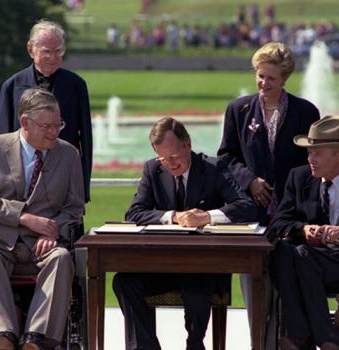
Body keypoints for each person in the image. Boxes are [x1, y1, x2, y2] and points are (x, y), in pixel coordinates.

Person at [113, 117, 257, 350]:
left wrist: (208, 216)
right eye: (163, 158)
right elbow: (134, 213)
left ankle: (194, 344)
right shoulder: (153, 169)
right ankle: (145, 347)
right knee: (123, 281)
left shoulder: (214, 168)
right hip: (163, 265)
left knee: (196, 286)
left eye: (174, 157)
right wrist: (173, 216)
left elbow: (246, 207)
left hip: (204, 266)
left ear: (187, 144)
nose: (169, 164)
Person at [217, 41, 320, 347]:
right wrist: (249, 181)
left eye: (270, 78)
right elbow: (226, 157)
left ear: (284, 79)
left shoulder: (305, 112)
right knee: (254, 284)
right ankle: (258, 343)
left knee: (288, 283)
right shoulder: (239, 110)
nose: (263, 83)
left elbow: (312, 163)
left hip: (293, 216)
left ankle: (289, 341)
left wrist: (290, 196)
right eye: (260, 76)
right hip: (252, 215)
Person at [0, 88, 84, 350]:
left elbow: (74, 208)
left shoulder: (69, 154)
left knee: (62, 259)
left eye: (59, 125)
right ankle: (3, 337)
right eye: (47, 126)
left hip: (45, 246)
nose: (55, 132)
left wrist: (51, 231)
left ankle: (36, 339)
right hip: (0, 242)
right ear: (25, 123)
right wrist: (25, 218)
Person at [0, 19, 92, 202]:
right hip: (20, 184)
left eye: (58, 51)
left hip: (63, 179)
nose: (53, 57)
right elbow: (2, 143)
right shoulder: (11, 86)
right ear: (30, 49)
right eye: (46, 51)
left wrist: (82, 190)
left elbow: (85, 140)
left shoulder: (77, 85)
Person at [270, 116, 339, 350]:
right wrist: (304, 229)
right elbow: (278, 223)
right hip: (310, 260)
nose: (310, 159)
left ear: (338, 154)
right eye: (309, 152)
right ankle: (325, 339)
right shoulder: (299, 177)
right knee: (289, 250)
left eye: (317, 153)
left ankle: (300, 337)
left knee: (299, 256)